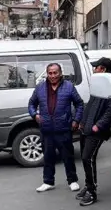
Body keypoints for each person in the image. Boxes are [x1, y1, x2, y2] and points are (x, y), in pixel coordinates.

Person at [28, 63, 85, 192]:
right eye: (50, 73)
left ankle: (72, 180)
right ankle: (48, 182)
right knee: (48, 157)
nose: (53, 76)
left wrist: (76, 120)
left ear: (60, 73)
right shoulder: (40, 88)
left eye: (55, 73)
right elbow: (31, 103)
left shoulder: (69, 87)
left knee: (67, 156)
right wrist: (34, 115)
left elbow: (79, 104)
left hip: (64, 129)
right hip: (46, 129)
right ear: (47, 74)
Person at [76, 57, 111, 206]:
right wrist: (83, 122)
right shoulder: (99, 84)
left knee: (88, 158)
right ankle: (88, 185)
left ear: (103, 69)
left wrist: (98, 126)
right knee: (86, 158)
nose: (94, 70)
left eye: (96, 67)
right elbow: (91, 104)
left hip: (96, 130)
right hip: (87, 127)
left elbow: (110, 111)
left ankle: (92, 192)